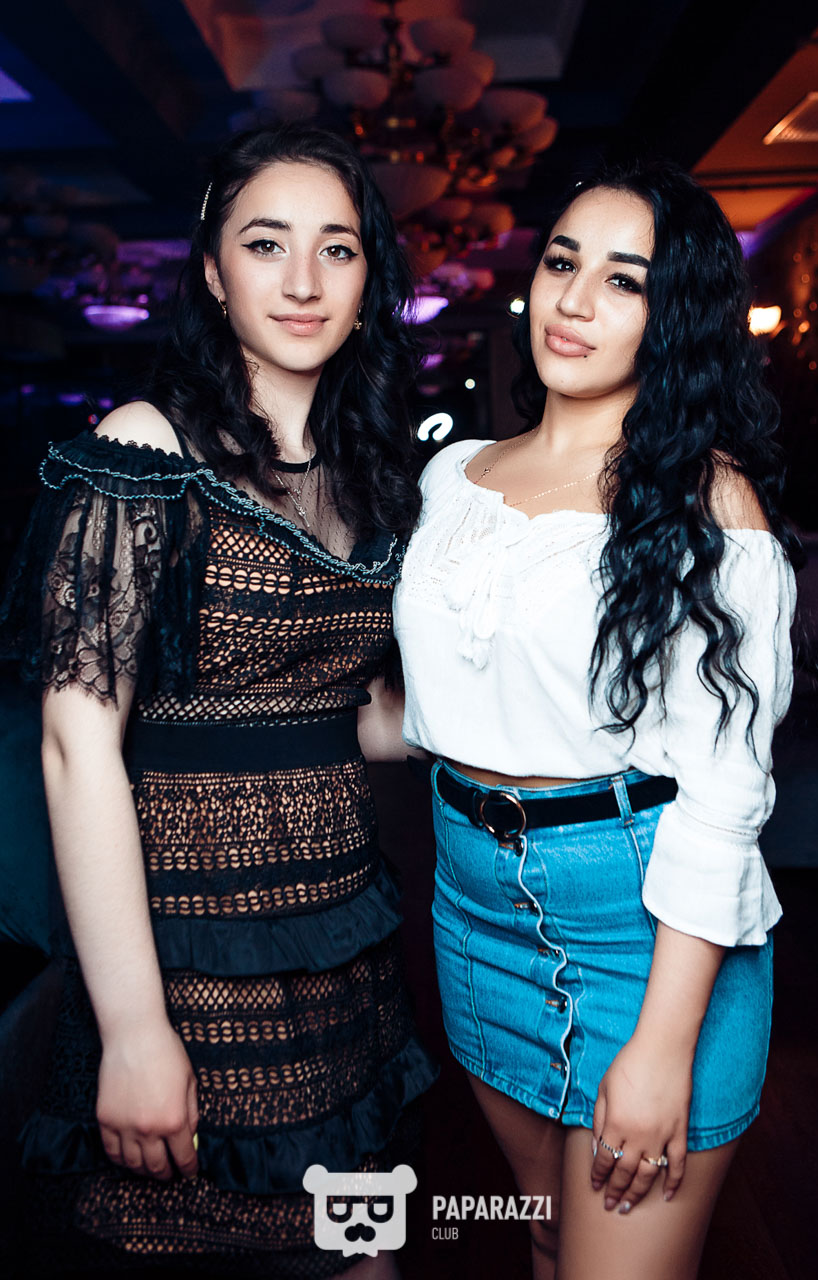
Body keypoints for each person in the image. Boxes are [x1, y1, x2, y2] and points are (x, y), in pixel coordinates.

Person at [0, 123, 438, 1278]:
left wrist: (557, 724)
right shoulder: (145, 449)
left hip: (343, 941)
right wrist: (134, 1029)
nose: (302, 281)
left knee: (364, 1255)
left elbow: (356, 717)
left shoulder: (371, 465)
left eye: (336, 248)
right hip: (186, 959)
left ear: (368, 279)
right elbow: (74, 745)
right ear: (211, 271)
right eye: (265, 243)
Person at [393, 159, 799, 1279]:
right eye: (562, 262)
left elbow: (726, 794)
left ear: (674, 317)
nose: (573, 301)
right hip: (471, 901)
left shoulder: (706, 501)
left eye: (624, 280)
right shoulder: (454, 477)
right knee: (548, 1236)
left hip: (641, 920)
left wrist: (663, 1045)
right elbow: (430, 707)